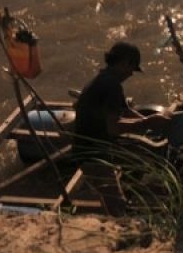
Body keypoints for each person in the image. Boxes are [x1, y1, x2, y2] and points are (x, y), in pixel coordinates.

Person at [73, 41, 171, 215]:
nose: (132, 74)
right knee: (116, 205)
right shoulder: (111, 86)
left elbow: (125, 111)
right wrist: (147, 123)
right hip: (93, 154)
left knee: (136, 163)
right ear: (124, 62)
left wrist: (147, 122)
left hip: (95, 146)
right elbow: (114, 128)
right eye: (132, 68)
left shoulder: (104, 79)